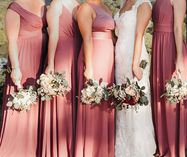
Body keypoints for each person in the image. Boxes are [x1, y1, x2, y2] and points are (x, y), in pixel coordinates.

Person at [0, 0, 48, 156]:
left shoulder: (42, 2)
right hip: (24, 59)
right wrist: (15, 68)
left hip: (41, 58)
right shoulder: (15, 8)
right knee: (22, 101)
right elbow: (12, 41)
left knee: (38, 105)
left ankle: (35, 148)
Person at [114, 0, 156, 156]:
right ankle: (124, 146)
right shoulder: (123, 3)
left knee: (136, 102)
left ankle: (138, 149)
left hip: (134, 57)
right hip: (120, 57)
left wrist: (135, 64)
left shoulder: (144, 4)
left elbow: (139, 35)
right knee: (123, 101)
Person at [39, 0, 81, 156]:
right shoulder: (57, 4)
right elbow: (53, 35)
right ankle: (59, 148)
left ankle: (72, 144)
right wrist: (50, 63)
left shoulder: (77, 3)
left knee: (72, 100)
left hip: (76, 55)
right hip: (61, 55)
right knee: (62, 100)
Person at [74, 0, 115, 156]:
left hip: (108, 57)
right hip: (95, 56)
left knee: (105, 101)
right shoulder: (85, 8)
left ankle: (103, 148)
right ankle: (90, 150)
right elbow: (87, 39)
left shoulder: (105, 7)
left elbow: (112, 34)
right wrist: (89, 66)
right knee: (94, 99)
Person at [151, 0, 187, 156]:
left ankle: (173, 145)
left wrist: (179, 57)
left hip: (172, 47)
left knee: (171, 97)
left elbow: (178, 27)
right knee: (159, 92)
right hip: (158, 44)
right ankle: (162, 143)